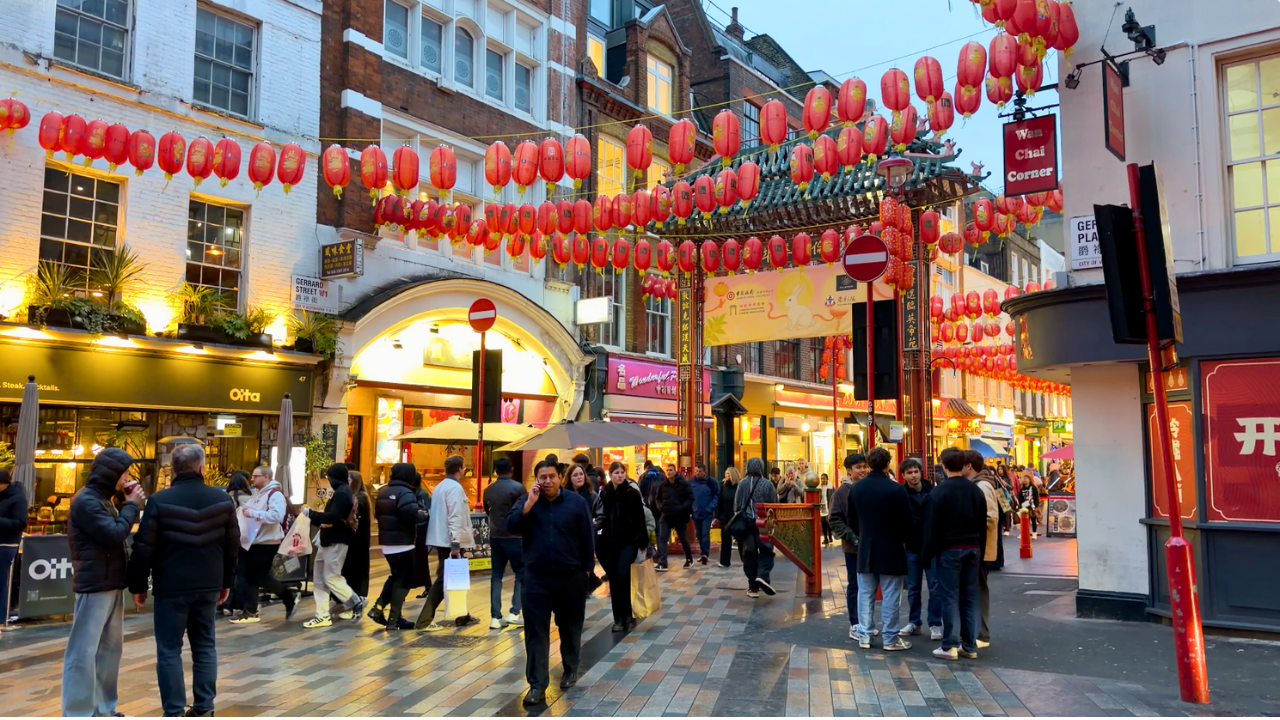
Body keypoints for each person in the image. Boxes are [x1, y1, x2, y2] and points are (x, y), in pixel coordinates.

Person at [127, 443, 239, 718]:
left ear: (173, 469)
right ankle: (205, 707)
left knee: (168, 650)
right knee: (205, 646)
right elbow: (232, 544)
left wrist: (138, 586)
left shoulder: (159, 501)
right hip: (208, 584)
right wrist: (226, 581)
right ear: (202, 468)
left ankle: (174, 711)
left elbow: (144, 546)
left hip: (171, 586)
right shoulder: (223, 500)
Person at [62, 448, 144, 717]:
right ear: (113, 474)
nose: (127, 477)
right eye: (125, 473)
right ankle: (79, 712)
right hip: (95, 584)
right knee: (83, 653)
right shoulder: (87, 500)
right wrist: (131, 504)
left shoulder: (101, 499)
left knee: (108, 652)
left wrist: (125, 503)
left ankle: (104, 709)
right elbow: (114, 534)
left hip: (108, 582)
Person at [508, 457, 595, 706]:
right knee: (535, 632)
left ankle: (570, 668)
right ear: (536, 480)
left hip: (571, 576)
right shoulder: (527, 501)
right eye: (542, 477)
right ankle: (537, 685)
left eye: (551, 477)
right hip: (536, 578)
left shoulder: (576, 502)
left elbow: (587, 538)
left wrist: (586, 572)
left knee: (570, 627)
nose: (547, 481)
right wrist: (529, 504)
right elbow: (512, 526)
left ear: (559, 477)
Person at [921, 447, 988, 661]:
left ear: (944, 465)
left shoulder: (939, 492)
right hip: (974, 548)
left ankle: (949, 644)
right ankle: (969, 645)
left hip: (949, 549)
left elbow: (931, 527)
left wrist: (926, 555)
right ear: (964, 465)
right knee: (970, 596)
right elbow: (982, 524)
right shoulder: (975, 490)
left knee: (949, 596)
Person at [847, 448, 912, 651]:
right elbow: (906, 522)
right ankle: (890, 638)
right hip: (892, 547)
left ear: (868, 464)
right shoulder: (897, 489)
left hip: (866, 547)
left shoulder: (856, 489)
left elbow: (852, 520)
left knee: (865, 593)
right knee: (891, 594)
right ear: (888, 464)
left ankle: (865, 635)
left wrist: (863, 535)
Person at [417, 455, 477, 630]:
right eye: (464, 466)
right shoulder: (455, 489)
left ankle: (462, 615)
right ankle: (424, 620)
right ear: (459, 468)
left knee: (454, 578)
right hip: (449, 540)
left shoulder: (440, 487)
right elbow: (455, 516)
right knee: (444, 580)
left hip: (441, 538)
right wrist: (456, 542)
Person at [301, 464, 364, 628]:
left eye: (329, 477)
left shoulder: (342, 493)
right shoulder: (343, 492)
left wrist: (311, 514)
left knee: (330, 576)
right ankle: (322, 615)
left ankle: (356, 601)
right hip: (330, 539)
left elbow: (335, 517)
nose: (328, 480)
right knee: (320, 578)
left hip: (336, 539)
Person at [233, 466, 297, 624]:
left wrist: (253, 514)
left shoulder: (275, 495)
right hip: (253, 540)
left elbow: (277, 516)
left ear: (267, 477)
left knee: (261, 576)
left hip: (267, 541)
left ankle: (288, 597)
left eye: (256, 476)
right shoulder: (257, 493)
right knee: (250, 576)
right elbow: (250, 509)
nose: (252, 479)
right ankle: (251, 610)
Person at [367, 463, 426, 630]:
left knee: (396, 576)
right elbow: (410, 514)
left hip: (387, 541)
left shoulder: (384, 491)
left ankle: (378, 608)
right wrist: (422, 515)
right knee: (403, 581)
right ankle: (393, 619)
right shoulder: (405, 492)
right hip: (403, 542)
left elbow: (379, 514)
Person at [597, 461, 648, 633]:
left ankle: (628, 614)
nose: (620, 475)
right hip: (609, 542)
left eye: (622, 472)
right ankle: (619, 618)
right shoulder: (605, 494)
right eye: (616, 473)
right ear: (610, 475)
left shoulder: (632, 493)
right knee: (615, 579)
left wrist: (642, 542)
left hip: (628, 541)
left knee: (623, 575)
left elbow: (640, 518)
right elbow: (600, 516)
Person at [482, 457, 526, 630]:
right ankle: (515, 612)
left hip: (495, 534)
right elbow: (524, 510)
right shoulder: (518, 488)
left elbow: (487, 510)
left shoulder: (488, 490)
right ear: (511, 469)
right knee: (521, 573)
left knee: (496, 575)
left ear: (495, 471)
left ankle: (495, 616)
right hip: (515, 536)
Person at [900, 458, 941, 641]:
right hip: (911, 546)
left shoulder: (932, 492)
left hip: (931, 546)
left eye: (916, 471)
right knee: (913, 587)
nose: (913, 475)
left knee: (935, 587)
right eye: (909, 472)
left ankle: (935, 623)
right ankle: (914, 622)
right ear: (903, 475)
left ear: (921, 472)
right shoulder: (901, 494)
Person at [964, 451, 1001, 649]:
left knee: (978, 590)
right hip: (978, 546)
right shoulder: (978, 484)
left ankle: (981, 633)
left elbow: (991, 518)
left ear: (969, 466)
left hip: (980, 547)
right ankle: (977, 632)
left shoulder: (982, 486)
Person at [829, 453, 868, 638]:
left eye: (864, 466)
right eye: (858, 467)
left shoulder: (868, 487)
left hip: (870, 545)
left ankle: (866, 622)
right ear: (849, 470)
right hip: (853, 547)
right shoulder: (841, 492)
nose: (862, 470)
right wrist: (852, 537)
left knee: (868, 585)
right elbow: (834, 519)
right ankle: (855, 623)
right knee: (855, 584)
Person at [733, 458, 778, 598]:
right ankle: (763, 576)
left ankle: (752, 586)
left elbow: (737, 505)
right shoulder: (768, 484)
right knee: (766, 550)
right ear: (761, 468)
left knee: (750, 552)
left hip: (746, 523)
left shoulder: (742, 483)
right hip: (763, 522)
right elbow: (773, 504)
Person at [565, 464, 604, 593]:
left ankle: (585, 586)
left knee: (585, 562)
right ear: (569, 478)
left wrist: (591, 525)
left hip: (587, 536)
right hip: (568, 535)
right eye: (575, 475)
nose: (579, 477)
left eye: (581, 474)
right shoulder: (564, 495)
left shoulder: (592, 495)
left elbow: (601, 515)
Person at [218, 471, 252, 617]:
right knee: (242, 572)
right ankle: (239, 604)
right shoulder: (251, 499)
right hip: (245, 539)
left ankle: (224, 603)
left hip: (226, 538)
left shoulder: (223, 498)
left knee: (226, 570)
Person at [0, 468, 27, 630]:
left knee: (1, 581)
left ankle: (1, 617)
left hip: (6, 544)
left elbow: (19, 523)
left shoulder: (17, 498)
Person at [654, 462, 694, 571]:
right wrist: (661, 507)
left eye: (671, 470)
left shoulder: (683, 484)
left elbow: (690, 498)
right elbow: (657, 498)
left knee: (683, 539)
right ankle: (663, 562)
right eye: (667, 470)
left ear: (675, 471)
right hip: (666, 515)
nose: (669, 472)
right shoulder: (663, 485)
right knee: (663, 538)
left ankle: (689, 559)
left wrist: (681, 508)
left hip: (679, 516)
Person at [341, 471, 372, 610]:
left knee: (357, 568)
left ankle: (357, 597)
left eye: (349, 479)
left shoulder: (360, 498)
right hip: (354, 539)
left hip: (358, 540)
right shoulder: (356, 496)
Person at [688, 462, 720, 566]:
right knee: (699, 534)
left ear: (704, 472)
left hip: (707, 512)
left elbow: (716, 495)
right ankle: (702, 553)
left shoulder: (711, 482)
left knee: (705, 533)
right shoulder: (691, 482)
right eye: (696, 471)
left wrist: (711, 507)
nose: (697, 473)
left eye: (699, 471)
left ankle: (705, 554)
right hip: (695, 512)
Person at [715, 467, 740, 568]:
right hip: (725, 516)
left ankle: (746, 560)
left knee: (741, 539)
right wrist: (718, 516)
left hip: (736, 516)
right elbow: (719, 501)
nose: (726, 476)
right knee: (725, 539)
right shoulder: (722, 485)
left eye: (728, 474)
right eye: (726, 473)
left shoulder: (739, 486)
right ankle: (724, 561)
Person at [1019, 472, 1041, 537]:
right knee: (1024, 520)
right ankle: (1024, 533)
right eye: (1023, 479)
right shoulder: (1022, 488)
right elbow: (1020, 498)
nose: (1024, 480)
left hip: (1032, 506)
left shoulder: (1033, 488)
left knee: (1033, 519)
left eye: (1026, 478)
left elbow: (1036, 497)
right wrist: (1021, 505)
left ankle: (1034, 533)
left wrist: (1036, 505)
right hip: (1024, 506)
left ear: (1029, 480)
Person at [819, 473, 834, 545]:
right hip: (822, 507)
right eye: (821, 478)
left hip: (828, 506)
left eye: (824, 478)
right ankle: (825, 538)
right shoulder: (819, 487)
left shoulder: (830, 487)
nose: (822, 480)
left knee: (828, 522)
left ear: (827, 479)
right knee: (823, 523)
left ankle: (830, 536)